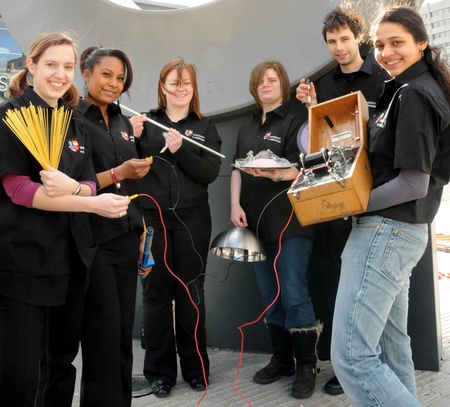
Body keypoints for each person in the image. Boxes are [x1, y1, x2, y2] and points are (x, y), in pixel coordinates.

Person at [0, 32, 130, 407]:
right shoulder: (10, 117)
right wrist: (92, 204)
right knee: (21, 374)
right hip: (24, 262)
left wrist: (74, 188)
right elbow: (18, 190)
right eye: (51, 64)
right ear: (31, 65)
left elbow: (88, 183)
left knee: (60, 365)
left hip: (72, 261)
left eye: (68, 66)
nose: (60, 74)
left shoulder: (75, 123)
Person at [330, 6, 450, 406]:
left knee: (352, 358)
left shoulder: (415, 94)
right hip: (398, 233)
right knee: (390, 343)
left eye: (397, 43)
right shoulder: (406, 89)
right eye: (380, 45)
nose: (386, 52)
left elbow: (413, 183)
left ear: (421, 43)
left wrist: (350, 204)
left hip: (385, 232)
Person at [295, 6, 390, 396]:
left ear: (358, 38)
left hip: (380, 192)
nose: (338, 47)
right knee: (342, 283)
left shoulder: (383, 76)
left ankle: (375, 364)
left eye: (344, 39)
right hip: (337, 195)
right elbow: (318, 140)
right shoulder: (324, 84)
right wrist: (310, 108)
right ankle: (347, 365)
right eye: (332, 42)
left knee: (375, 286)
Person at [130, 59, 222, 397]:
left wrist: (182, 150)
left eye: (186, 83)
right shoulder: (145, 122)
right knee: (155, 294)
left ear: (193, 88)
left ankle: (196, 370)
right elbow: (129, 166)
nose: (180, 88)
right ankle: (159, 374)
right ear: (163, 87)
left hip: (193, 219)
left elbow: (209, 173)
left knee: (190, 294)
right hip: (152, 220)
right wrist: (132, 138)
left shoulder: (205, 126)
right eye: (174, 82)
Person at [230, 60, 321, 400]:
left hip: (290, 222)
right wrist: (234, 205)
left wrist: (277, 174)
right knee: (271, 297)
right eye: (260, 81)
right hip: (254, 223)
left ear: (283, 84)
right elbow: (236, 169)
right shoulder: (247, 125)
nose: (266, 85)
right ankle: (282, 360)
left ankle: (307, 366)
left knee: (294, 294)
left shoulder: (297, 119)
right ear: (254, 88)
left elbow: (309, 166)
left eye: (272, 80)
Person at [75, 46, 152, 407]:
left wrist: (142, 230)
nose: (113, 83)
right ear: (86, 74)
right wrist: (119, 172)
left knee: (122, 335)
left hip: (126, 237)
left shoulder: (122, 122)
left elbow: (131, 185)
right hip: (93, 241)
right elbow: (73, 183)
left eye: (120, 78)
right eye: (106, 74)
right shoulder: (72, 119)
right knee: (101, 336)